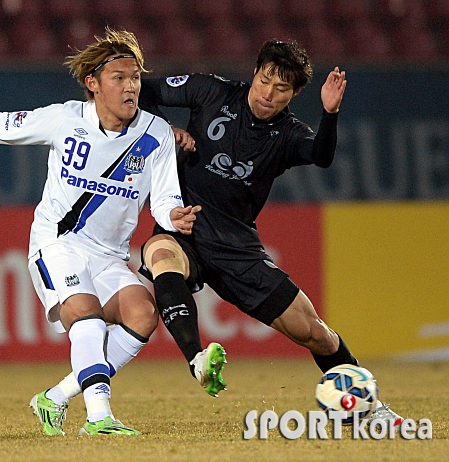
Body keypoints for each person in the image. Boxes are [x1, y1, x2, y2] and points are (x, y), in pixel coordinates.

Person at [43, 39, 403, 428]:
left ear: (295, 93)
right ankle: (197, 358)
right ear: (255, 73)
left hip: (237, 247)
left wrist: (330, 113)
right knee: (161, 255)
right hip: (184, 225)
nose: (268, 93)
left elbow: (321, 154)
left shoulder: (287, 135)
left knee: (316, 334)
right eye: (265, 80)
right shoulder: (210, 91)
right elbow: (143, 90)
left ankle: (362, 409)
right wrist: (166, 129)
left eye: (281, 88)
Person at [0, 27, 200, 437]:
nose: (130, 87)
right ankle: (100, 417)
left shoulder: (155, 133)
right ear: (93, 84)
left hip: (107, 253)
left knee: (142, 315)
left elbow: (164, 198)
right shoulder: (65, 119)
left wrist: (174, 217)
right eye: (118, 78)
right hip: (57, 243)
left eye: (135, 78)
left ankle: (56, 396)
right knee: (86, 317)